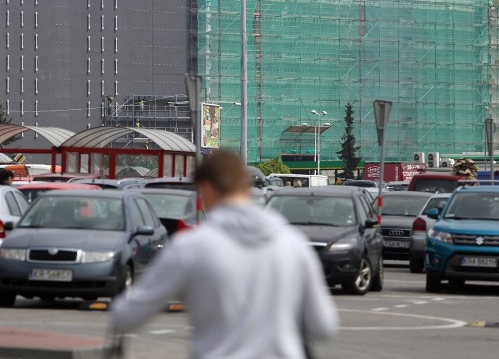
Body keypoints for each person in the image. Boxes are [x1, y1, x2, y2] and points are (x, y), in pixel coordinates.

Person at [110, 150, 338, 358]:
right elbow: (323, 326)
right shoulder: (292, 244)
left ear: (207, 188)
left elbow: (127, 315)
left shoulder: (192, 247)